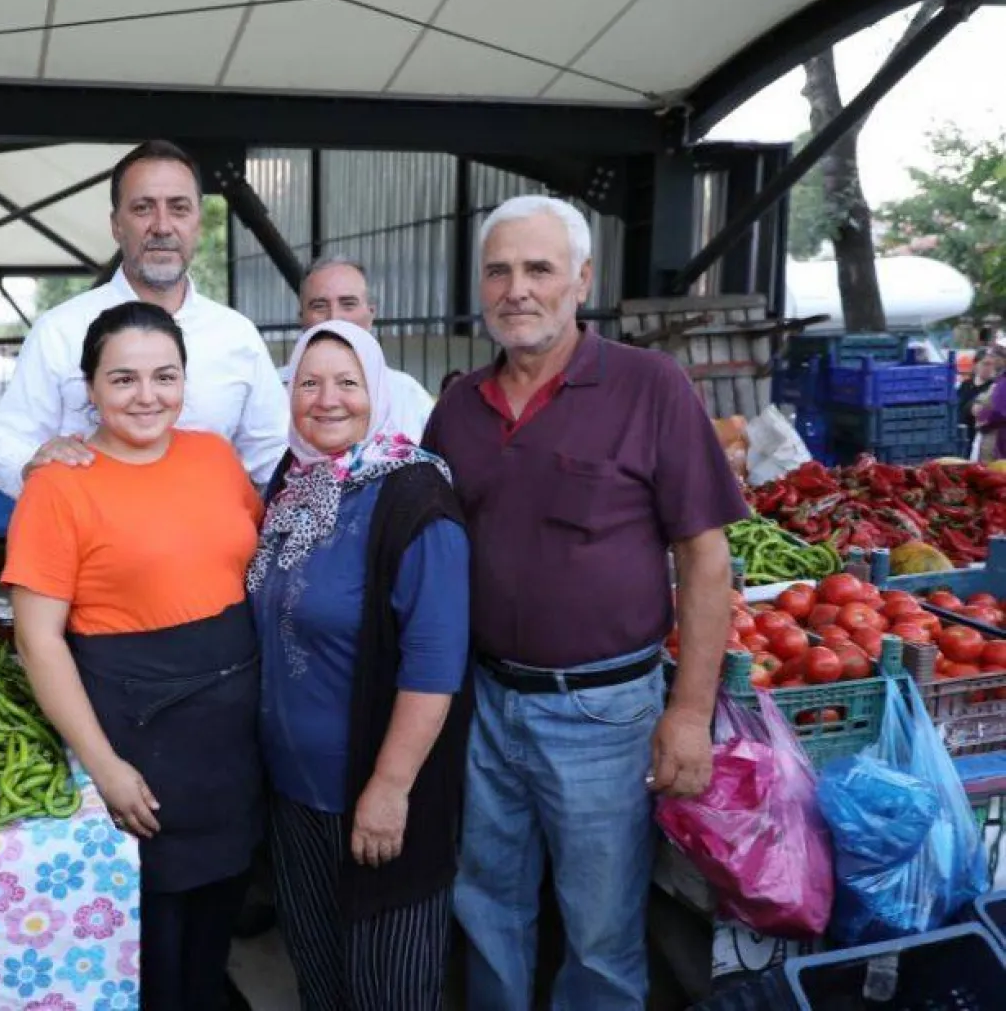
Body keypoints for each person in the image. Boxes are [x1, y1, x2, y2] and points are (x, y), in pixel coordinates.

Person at [424, 196, 746, 1011]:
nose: (517, 289)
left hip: (605, 713)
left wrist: (688, 710)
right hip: (487, 702)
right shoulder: (458, 407)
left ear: (583, 279)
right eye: (499, 270)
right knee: (487, 908)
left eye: (539, 268)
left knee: (601, 933)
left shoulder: (649, 386)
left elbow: (706, 559)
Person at [4, 302, 265, 1011]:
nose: (147, 395)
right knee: (154, 945)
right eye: (123, 378)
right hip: (140, 741)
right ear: (88, 387)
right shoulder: (59, 486)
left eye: (165, 376)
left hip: (231, 741)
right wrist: (105, 765)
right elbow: (38, 640)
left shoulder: (214, 454)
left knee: (217, 919)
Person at [249, 320, 470, 1011]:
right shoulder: (294, 489)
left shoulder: (415, 498)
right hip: (296, 794)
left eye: (347, 381)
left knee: (389, 991)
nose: (327, 398)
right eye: (308, 382)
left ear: (377, 389)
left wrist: (390, 787)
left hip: (376, 792)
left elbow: (435, 664)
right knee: (321, 981)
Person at [0, 140, 289, 498]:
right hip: (94, 543)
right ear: (116, 226)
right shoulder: (59, 332)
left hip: (212, 545)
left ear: (198, 224)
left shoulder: (237, 336)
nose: (162, 226)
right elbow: (7, 444)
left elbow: (274, 459)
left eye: (179, 208)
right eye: (143, 208)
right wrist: (30, 464)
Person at [281, 257, 436, 440]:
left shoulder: (408, 395)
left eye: (348, 304)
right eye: (319, 306)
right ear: (301, 317)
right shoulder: (272, 391)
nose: (334, 317)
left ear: (371, 314)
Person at [959, 347, 1001, 456]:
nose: (989, 368)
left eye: (992, 364)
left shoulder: (994, 387)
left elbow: (980, 411)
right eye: (985, 364)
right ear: (976, 365)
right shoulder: (965, 385)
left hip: (981, 438)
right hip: (961, 436)